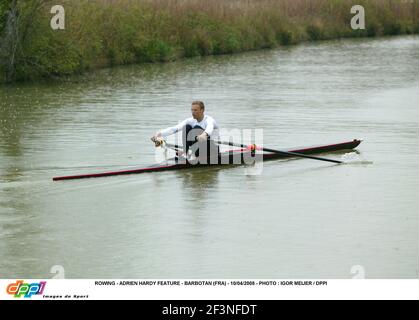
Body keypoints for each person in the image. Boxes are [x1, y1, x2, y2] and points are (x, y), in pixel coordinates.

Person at [151, 101, 219, 164]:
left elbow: (209, 129)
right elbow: (175, 129)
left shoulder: (209, 120)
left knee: (196, 129)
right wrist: (158, 134)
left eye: (195, 110)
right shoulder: (190, 120)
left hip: (212, 150)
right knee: (186, 127)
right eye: (192, 110)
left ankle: (193, 155)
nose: (193, 112)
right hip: (200, 149)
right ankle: (185, 154)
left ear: (202, 110)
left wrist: (204, 135)